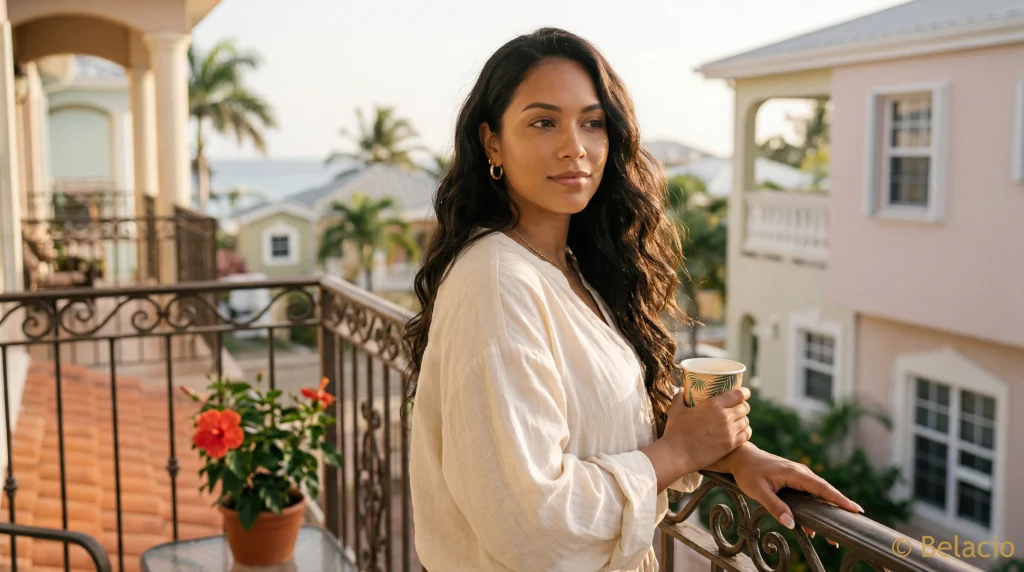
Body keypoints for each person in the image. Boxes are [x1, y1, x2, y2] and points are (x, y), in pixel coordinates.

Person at [403, 27, 862, 572]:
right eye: (543, 121)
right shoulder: (498, 282)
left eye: (592, 122)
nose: (575, 145)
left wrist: (732, 452)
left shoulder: (567, 270)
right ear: (492, 142)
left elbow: (598, 433)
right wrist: (680, 453)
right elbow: (529, 524)